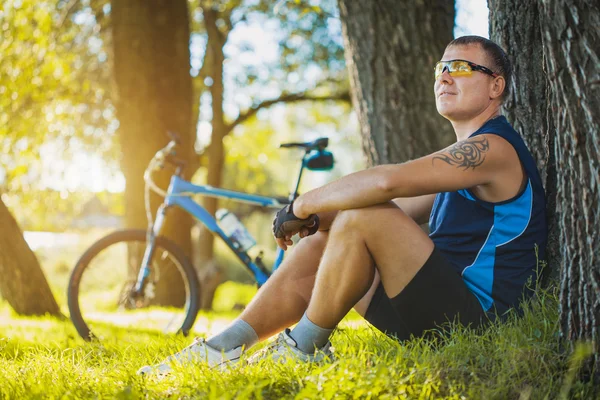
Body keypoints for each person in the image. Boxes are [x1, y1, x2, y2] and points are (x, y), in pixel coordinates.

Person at [138, 35, 547, 375]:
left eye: (460, 67)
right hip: (431, 313)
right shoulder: (459, 162)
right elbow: (394, 215)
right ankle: (223, 348)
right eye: (440, 68)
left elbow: (386, 185)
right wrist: (316, 219)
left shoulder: (496, 149)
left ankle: (304, 347)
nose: (444, 76)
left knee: (366, 210)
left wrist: (303, 204)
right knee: (327, 235)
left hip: (477, 321)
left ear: (496, 86)